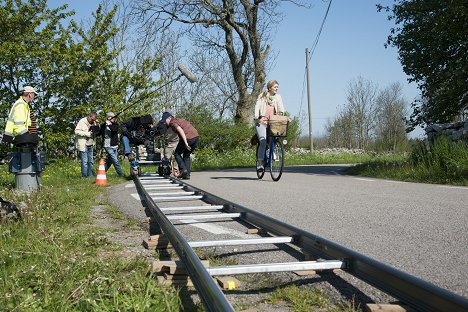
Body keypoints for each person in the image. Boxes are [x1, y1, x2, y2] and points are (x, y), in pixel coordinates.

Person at [253, 80, 285, 172]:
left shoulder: (278, 97)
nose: (277, 89)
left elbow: (281, 108)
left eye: (277, 87)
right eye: (275, 87)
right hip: (261, 121)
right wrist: (256, 115)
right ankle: (260, 164)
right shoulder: (262, 95)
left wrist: (281, 114)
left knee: (274, 139)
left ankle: (273, 152)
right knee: (263, 142)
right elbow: (257, 105)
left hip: (272, 122)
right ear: (270, 87)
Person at [161, 112, 199, 180]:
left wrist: (186, 143)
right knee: (186, 155)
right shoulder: (179, 119)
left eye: (164, 121)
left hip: (188, 138)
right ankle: (187, 175)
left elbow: (180, 130)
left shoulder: (172, 122)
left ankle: (183, 170)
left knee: (177, 153)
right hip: (196, 137)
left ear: (169, 118)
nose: (164, 123)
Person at [75, 111, 99, 177]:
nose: (92, 121)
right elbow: (76, 131)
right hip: (83, 144)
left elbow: (97, 132)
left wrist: (97, 124)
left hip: (91, 144)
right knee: (84, 162)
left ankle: (90, 175)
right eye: (92, 119)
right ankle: (84, 176)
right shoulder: (82, 121)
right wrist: (87, 134)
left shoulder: (94, 122)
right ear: (89, 116)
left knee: (90, 161)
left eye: (94, 120)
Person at [99, 112, 124, 177]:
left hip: (114, 145)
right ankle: (121, 175)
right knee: (115, 160)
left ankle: (102, 172)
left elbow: (114, 130)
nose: (113, 118)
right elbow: (98, 133)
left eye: (113, 117)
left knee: (110, 162)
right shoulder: (103, 125)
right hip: (107, 145)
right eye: (111, 117)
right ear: (108, 117)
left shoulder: (115, 125)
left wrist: (109, 124)